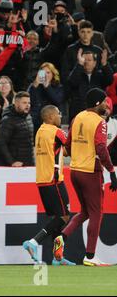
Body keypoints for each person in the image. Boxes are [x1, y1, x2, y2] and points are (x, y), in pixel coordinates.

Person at [54, 88, 117, 267]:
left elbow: (67, 144)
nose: (106, 104)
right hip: (91, 172)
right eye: (104, 101)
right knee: (97, 213)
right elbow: (101, 148)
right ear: (97, 103)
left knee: (85, 212)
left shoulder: (78, 117)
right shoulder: (100, 122)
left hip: (74, 171)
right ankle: (90, 256)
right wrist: (111, 171)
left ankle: (61, 237)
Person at [22, 105, 75, 266]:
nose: (60, 117)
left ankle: (57, 257)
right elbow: (72, 146)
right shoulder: (56, 131)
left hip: (42, 180)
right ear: (51, 117)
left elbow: (59, 150)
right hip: (54, 179)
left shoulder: (40, 131)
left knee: (57, 218)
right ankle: (33, 242)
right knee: (64, 216)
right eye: (59, 114)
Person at [67, 49, 113, 122]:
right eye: (84, 59)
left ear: (94, 63)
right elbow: (72, 82)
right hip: (78, 113)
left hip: (97, 113)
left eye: (89, 60)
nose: (86, 62)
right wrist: (79, 65)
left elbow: (110, 80)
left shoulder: (100, 75)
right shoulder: (77, 73)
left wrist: (105, 65)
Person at [0, 91, 34, 167]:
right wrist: (12, 161)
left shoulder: (28, 117)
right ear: (16, 103)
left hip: (28, 163)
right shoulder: (8, 120)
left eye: (29, 103)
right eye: (24, 103)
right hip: (15, 165)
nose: (28, 105)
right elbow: (1, 143)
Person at [28, 62, 64, 133]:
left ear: (53, 74)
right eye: (43, 73)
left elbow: (57, 100)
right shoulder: (35, 86)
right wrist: (35, 85)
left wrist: (47, 87)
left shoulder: (58, 87)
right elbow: (28, 100)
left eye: (48, 73)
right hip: (36, 121)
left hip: (52, 121)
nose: (46, 75)